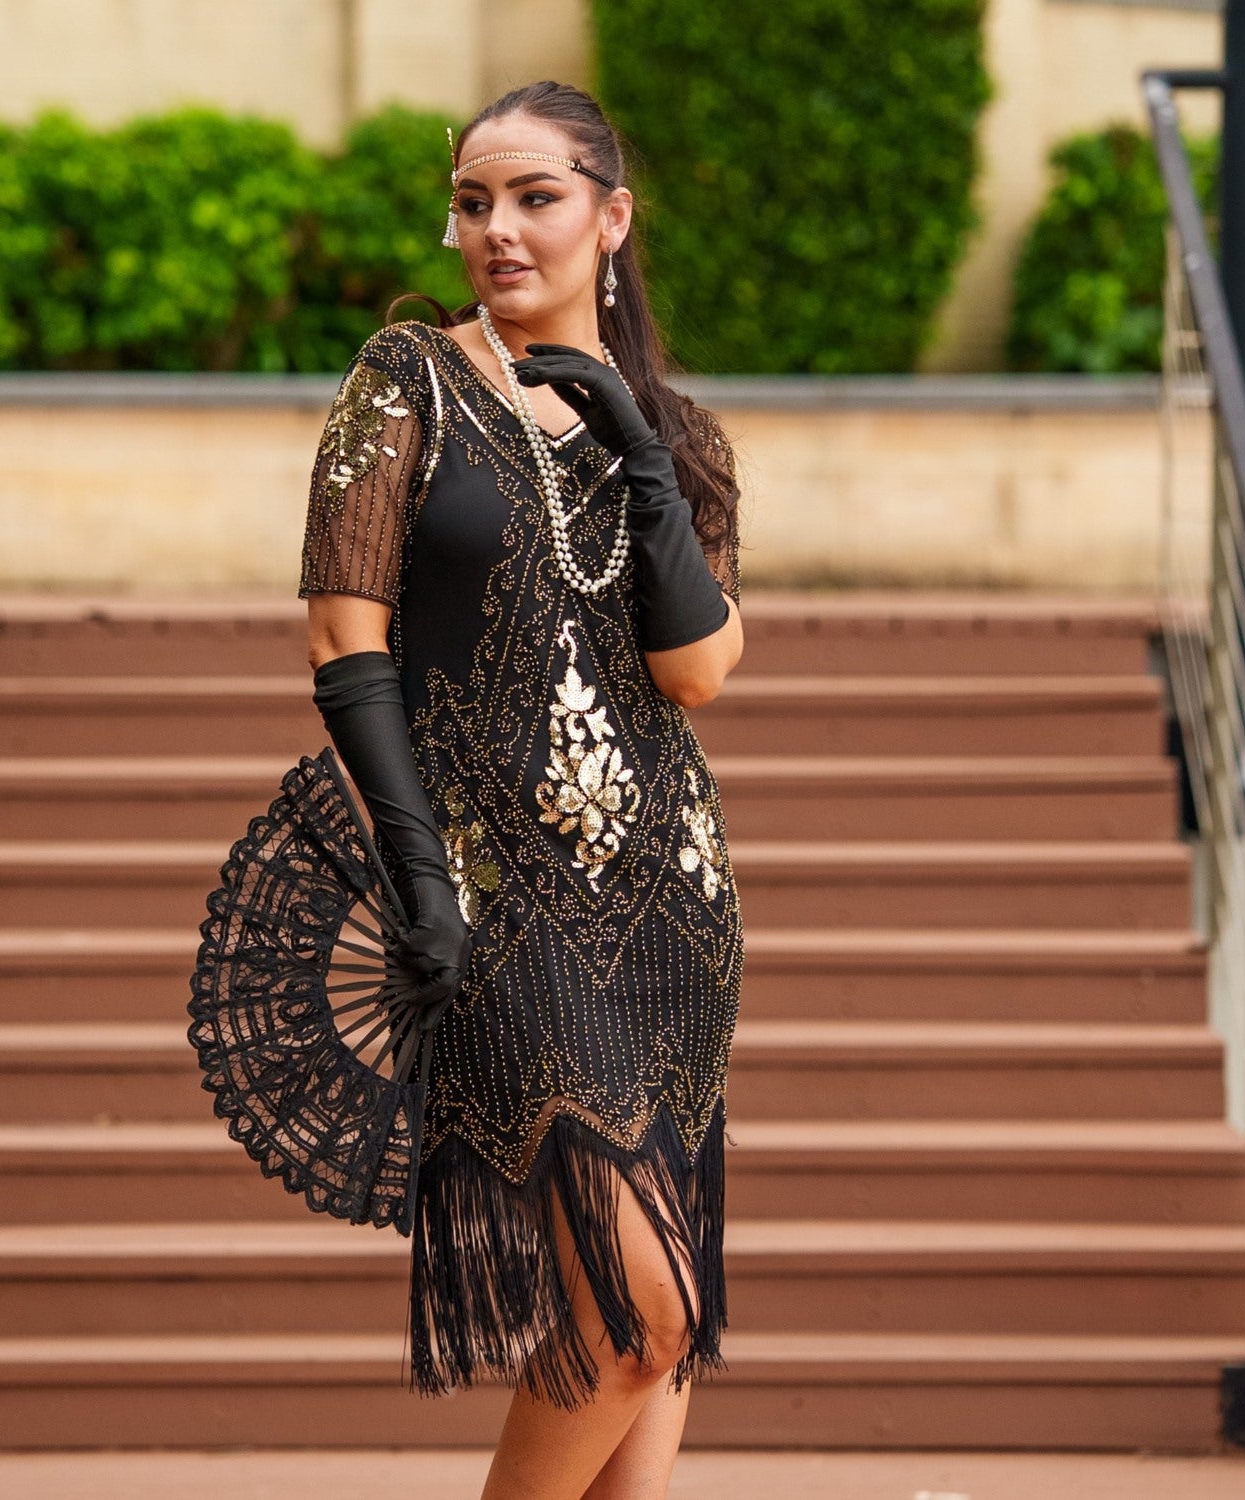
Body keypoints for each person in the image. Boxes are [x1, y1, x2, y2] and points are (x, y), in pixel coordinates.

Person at [299, 78, 745, 1500]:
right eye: (475, 201)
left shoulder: (675, 431)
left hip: (669, 904)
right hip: (496, 901)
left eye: (535, 197)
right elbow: (341, 634)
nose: (497, 228)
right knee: (644, 1305)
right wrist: (416, 866)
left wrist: (645, 461)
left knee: (656, 1338)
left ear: (612, 218)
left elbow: (702, 669)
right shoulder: (404, 381)